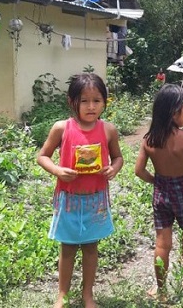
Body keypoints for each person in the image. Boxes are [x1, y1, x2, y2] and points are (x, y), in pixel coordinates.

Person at [37, 73, 124, 308]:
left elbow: (118, 157)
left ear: (105, 102)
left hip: (96, 200)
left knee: (90, 248)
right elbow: (42, 156)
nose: (91, 106)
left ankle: (88, 295)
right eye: (84, 101)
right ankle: (62, 295)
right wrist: (57, 170)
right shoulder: (62, 128)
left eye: (97, 100)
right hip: (69, 200)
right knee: (67, 249)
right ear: (71, 101)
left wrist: (113, 169)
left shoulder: (108, 130)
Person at [134, 84, 183, 302]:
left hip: (161, 193)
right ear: (175, 113)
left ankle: (162, 291)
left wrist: (157, 181)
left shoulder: (149, 140)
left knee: (162, 244)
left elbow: (138, 171)